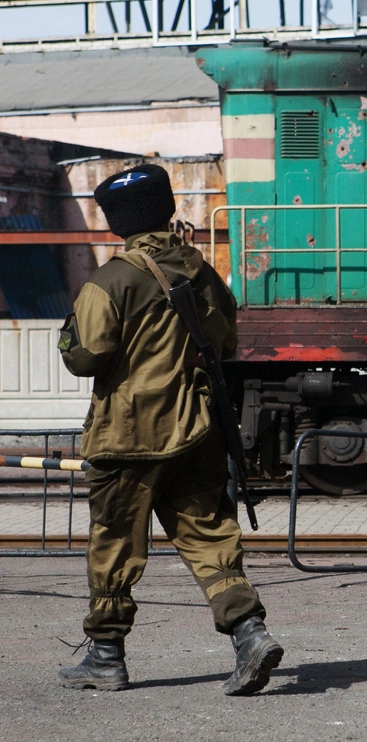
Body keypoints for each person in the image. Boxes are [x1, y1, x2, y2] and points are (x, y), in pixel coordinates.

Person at [56, 163, 283, 695]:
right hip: (198, 431)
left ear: (117, 221)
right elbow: (226, 344)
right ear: (168, 209)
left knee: (114, 543)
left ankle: (106, 656)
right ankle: (250, 632)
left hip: (129, 437)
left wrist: (68, 339)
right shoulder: (200, 271)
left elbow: (88, 357)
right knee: (208, 535)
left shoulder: (111, 279)